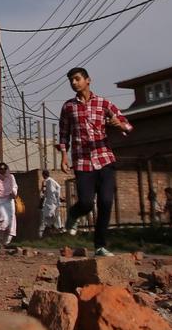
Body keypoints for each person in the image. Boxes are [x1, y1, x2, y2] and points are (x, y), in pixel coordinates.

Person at [56, 67, 132, 257]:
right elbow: (64, 134)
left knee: (106, 202)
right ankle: (74, 214)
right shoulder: (68, 107)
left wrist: (119, 125)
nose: (74, 83)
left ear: (88, 80)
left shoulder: (104, 104)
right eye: (71, 80)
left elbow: (127, 125)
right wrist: (64, 156)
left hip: (105, 159)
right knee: (87, 202)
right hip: (82, 162)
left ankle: (100, 246)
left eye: (77, 79)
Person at [0, 162, 18, 247]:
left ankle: (6, 243)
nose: (2, 171)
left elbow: (14, 187)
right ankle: (0, 237)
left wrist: (13, 193)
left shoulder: (11, 177)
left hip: (9, 201)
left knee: (11, 220)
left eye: (4, 169)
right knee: (5, 219)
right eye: (0, 169)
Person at [39, 168, 63, 237]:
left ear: (44, 175)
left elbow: (58, 187)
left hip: (52, 201)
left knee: (53, 214)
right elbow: (46, 192)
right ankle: (52, 226)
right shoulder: (47, 181)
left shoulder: (50, 181)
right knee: (47, 214)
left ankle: (57, 227)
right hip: (49, 201)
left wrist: (57, 196)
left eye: (43, 175)